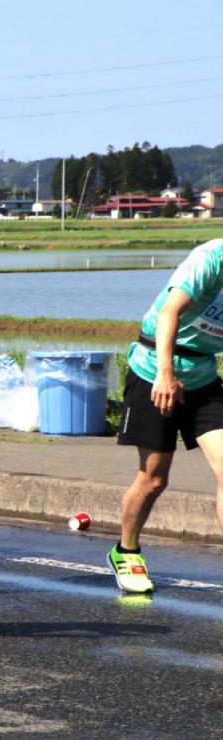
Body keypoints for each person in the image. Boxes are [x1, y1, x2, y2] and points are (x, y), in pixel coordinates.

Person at [113, 236, 223, 593]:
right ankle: (126, 551)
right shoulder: (211, 258)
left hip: (203, 374)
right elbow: (169, 312)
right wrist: (165, 374)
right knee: (154, 479)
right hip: (154, 368)